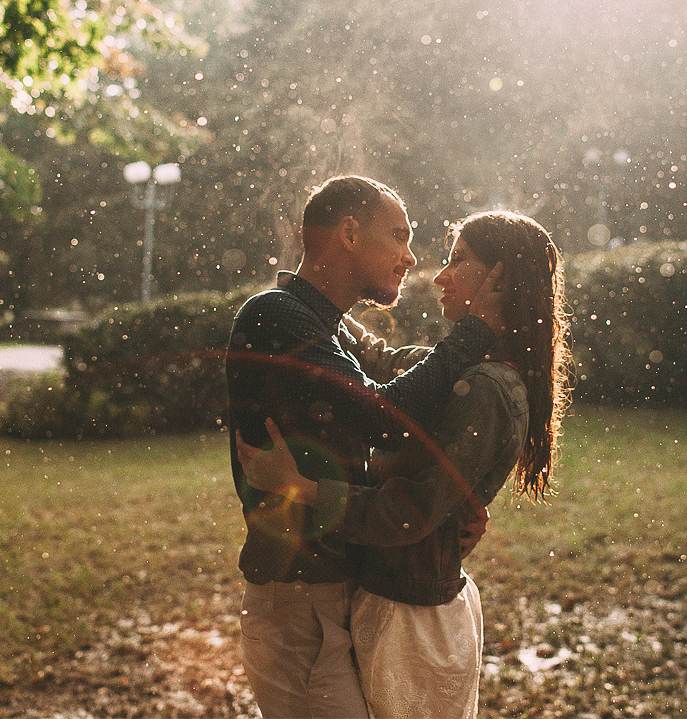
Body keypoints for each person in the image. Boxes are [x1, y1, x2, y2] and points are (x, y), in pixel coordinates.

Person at [238, 210, 572, 719]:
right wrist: (319, 296)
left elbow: (407, 512)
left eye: (459, 260)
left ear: (501, 280)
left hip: (414, 617)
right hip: (387, 601)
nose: (439, 275)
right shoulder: (465, 369)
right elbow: (377, 363)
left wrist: (301, 489)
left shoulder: (486, 386)